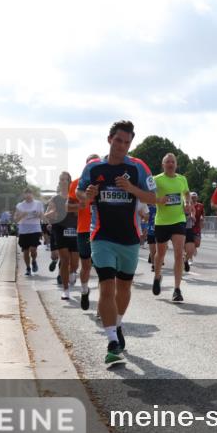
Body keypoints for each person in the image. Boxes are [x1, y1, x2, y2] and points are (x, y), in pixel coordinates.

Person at [78, 120, 157, 365]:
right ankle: (112, 341)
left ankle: (118, 323)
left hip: (129, 238)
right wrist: (87, 195)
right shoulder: (94, 167)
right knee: (106, 287)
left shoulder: (138, 167)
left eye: (126, 142)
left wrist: (132, 188)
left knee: (123, 288)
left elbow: (153, 198)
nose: (122, 146)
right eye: (118, 140)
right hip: (101, 235)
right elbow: (80, 194)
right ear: (109, 139)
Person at [152, 153, 191, 302]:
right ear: (163, 165)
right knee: (160, 253)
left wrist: (187, 203)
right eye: (167, 162)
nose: (170, 164)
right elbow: (146, 196)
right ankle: (157, 276)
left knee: (179, 253)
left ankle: (177, 289)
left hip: (178, 220)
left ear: (176, 164)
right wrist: (158, 200)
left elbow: (186, 193)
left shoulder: (182, 179)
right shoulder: (156, 179)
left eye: (173, 162)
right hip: (162, 222)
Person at [68, 154, 101, 310]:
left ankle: (103, 304)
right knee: (86, 265)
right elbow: (67, 207)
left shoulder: (106, 181)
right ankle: (84, 290)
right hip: (84, 229)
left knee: (103, 267)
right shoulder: (76, 183)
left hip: (102, 230)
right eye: (90, 164)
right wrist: (79, 206)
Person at [45, 172, 80, 301]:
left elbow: (80, 211)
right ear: (59, 182)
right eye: (62, 179)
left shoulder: (75, 196)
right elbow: (47, 213)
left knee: (75, 263)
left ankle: (73, 272)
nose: (64, 181)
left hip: (74, 229)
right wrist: (50, 214)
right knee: (65, 260)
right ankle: (65, 290)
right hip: (59, 229)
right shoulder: (55, 199)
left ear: (70, 182)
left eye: (66, 179)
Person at [14, 189, 45, 275]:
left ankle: (34, 261)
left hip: (35, 229)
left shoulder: (38, 204)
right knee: (26, 251)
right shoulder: (20, 205)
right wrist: (22, 215)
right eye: (26, 193)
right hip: (24, 231)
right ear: (24, 195)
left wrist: (38, 215)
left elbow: (43, 217)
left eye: (29, 193)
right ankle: (28, 268)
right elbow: (15, 219)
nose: (28, 195)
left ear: (32, 194)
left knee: (33, 249)